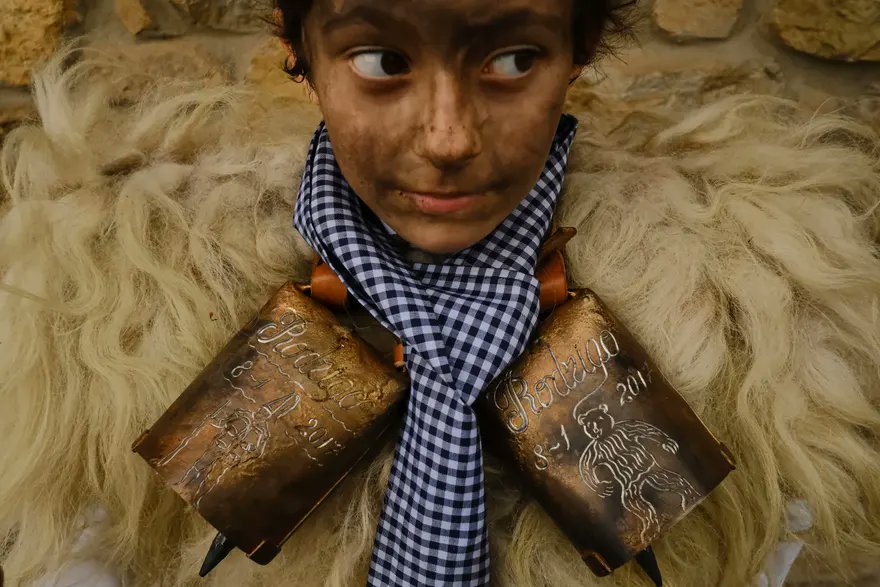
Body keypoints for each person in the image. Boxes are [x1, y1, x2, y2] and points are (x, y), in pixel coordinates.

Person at [1, 0, 878, 585]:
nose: (449, 136)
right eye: (382, 60)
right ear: (296, 52)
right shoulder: (114, 311)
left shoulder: (752, 329)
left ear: (578, 53)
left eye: (511, 58)